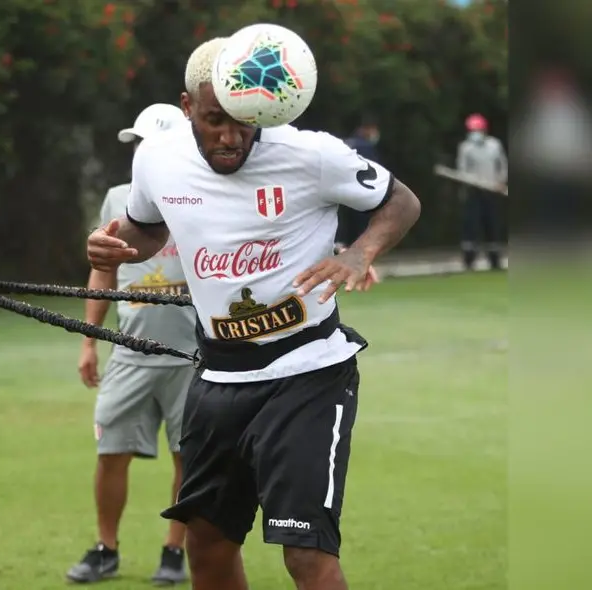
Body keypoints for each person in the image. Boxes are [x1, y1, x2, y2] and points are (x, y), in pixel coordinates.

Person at [86, 37, 421, 590]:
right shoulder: (156, 158)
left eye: (245, 120)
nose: (230, 135)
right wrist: (114, 249)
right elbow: (146, 228)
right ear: (187, 106)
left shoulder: (310, 154)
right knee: (208, 545)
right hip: (217, 377)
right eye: (215, 119)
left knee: (304, 552)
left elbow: (400, 199)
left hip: (307, 373)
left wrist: (361, 252)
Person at [66, 102, 194, 586]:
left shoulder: (201, 197)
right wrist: (89, 342)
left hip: (192, 356)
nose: (141, 154)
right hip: (129, 352)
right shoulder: (118, 199)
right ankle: (106, 549)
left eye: (149, 145)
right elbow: (103, 269)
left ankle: (174, 552)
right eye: (138, 145)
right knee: (110, 452)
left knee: (190, 459)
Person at [456, 113, 508, 270]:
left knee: (492, 224)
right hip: (474, 191)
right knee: (471, 225)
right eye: (472, 130)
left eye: (477, 129)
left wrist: (501, 181)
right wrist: (469, 181)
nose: (475, 133)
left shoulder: (495, 145)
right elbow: (462, 169)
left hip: (492, 190)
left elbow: (503, 166)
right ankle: (469, 260)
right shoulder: (465, 148)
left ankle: (494, 260)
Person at [335, 116, 381, 250]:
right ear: (367, 129)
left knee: (343, 226)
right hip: (359, 192)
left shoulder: (346, 143)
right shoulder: (365, 146)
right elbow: (373, 170)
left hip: (338, 192)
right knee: (361, 229)